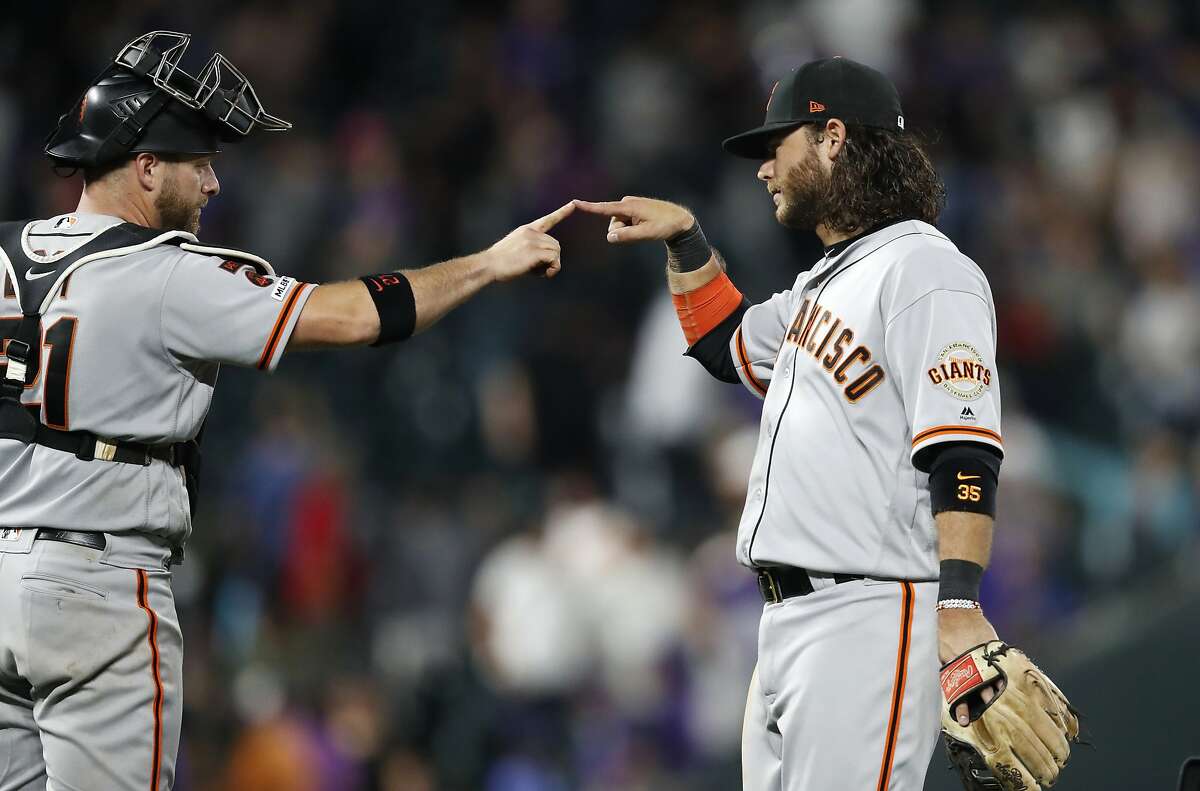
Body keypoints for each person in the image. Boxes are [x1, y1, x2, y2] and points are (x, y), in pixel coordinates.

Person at [0, 31, 573, 791]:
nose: (211, 185)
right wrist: (488, 263)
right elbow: (358, 315)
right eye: (198, 163)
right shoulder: (168, 272)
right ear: (144, 167)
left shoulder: (5, 255)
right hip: (98, 587)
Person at [575, 57, 1009, 789]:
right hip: (785, 622)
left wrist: (960, 602)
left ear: (833, 137)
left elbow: (964, 450)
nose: (764, 168)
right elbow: (727, 342)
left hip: (868, 611)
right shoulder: (824, 281)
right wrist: (685, 239)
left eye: (778, 145)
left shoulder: (927, 270)